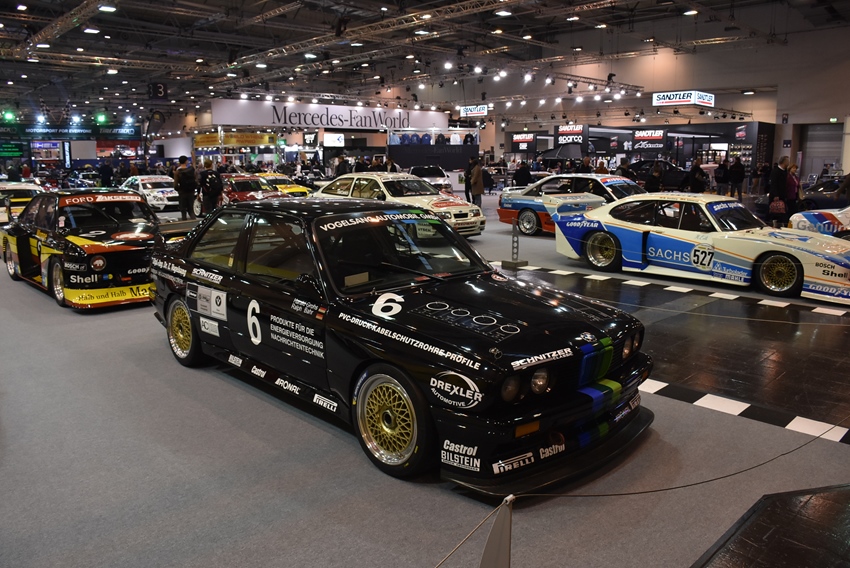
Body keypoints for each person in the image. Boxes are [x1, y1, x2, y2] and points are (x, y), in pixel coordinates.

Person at [173, 155, 197, 220]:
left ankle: (184, 222)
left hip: (182, 192)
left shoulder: (177, 172)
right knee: (191, 209)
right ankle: (194, 222)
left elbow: (175, 185)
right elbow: (195, 179)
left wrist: (179, 189)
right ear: (186, 161)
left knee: (183, 210)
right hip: (191, 192)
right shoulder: (191, 170)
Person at [767, 156, 790, 225]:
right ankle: (771, 222)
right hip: (776, 195)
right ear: (783, 162)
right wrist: (775, 194)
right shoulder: (775, 171)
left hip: (783, 194)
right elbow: (773, 183)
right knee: (774, 210)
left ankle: (781, 223)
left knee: (782, 210)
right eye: (787, 161)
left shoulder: (785, 171)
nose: (788, 162)